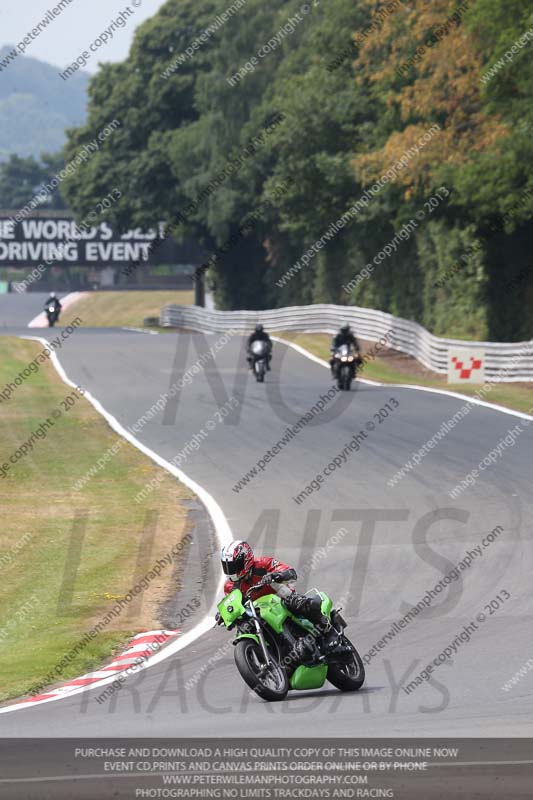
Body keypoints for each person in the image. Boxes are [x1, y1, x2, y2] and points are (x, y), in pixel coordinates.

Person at [218, 540, 331, 636]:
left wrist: (275, 576)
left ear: (245, 560)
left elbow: (291, 573)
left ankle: (324, 624)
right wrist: (223, 614)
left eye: (234, 566)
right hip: (258, 614)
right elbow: (233, 605)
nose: (231, 570)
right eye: (227, 566)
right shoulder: (229, 587)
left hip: (281, 602)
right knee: (243, 627)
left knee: (295, 602)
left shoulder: (263, 564)